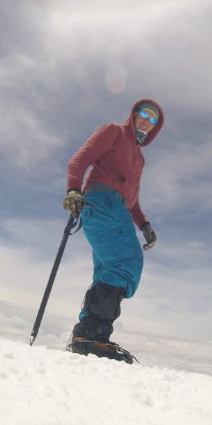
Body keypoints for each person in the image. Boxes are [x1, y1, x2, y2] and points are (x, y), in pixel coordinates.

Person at [62, 98, 165, 363]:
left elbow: (132, 199)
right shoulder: (114, 132)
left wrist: (144, 224)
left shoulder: (139, 159)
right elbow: (79, 160)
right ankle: (91, 335)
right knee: (126, 262)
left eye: (152, 120)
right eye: (143, 114)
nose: (146, 121)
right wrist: (73, 189)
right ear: (133, 114)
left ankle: (89, 336)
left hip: (118, 206)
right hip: (101, 199)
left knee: (110, 269)